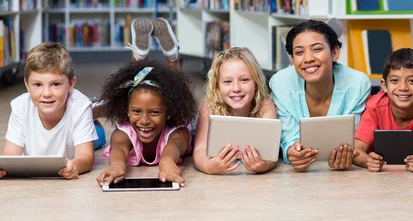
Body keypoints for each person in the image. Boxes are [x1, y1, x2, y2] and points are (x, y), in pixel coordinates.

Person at [96, 18, 198, 186]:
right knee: (135, 83)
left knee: (175, 87)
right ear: (127, 110)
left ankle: (166, 56)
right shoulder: (124, 131)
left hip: (179, 118)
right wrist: (117, 165)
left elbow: (174, 146)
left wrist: (167, 161)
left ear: (168, 112)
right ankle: (149, 55)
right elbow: (119, 148)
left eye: (154, 112)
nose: (144, 120)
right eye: (136, 111)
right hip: (144, 100)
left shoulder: (178, 130)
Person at [270, 19, 371, 171]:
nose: (308, 58)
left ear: (335, 53)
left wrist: (345, 152)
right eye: (299, 52)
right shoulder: (280, 83)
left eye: (317, 49)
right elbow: (289, 137)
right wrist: (293, 151)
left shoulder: (357, 84)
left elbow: (352, 138)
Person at [0, 42, 98, 179]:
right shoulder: (20, 106)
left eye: (55, 84)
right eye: (38, 85)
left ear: (71, 84)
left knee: (97, 139)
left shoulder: (81, 106)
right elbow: (10, 154)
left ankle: (95, 125)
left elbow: (86, 157)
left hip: (75, 125)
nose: (46, 93)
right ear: (27, 85)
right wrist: (3, 168)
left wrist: (75, 165)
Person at [354, 48, 413, 172]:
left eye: (412, 81)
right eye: (395, 80)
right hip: (380, 177)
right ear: (384, 85)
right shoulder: (375, 106)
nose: (403, 87)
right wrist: (368, 161)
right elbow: (357, 149)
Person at [193, 47, 278, 174]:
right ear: (217, 86)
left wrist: (264, 165)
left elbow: (272, 153)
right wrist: (208, 166)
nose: (236, 88)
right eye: (227, 81)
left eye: (244, 80)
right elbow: (200, 149)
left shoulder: (266, 106)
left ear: (256, 82)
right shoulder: (209, 106)